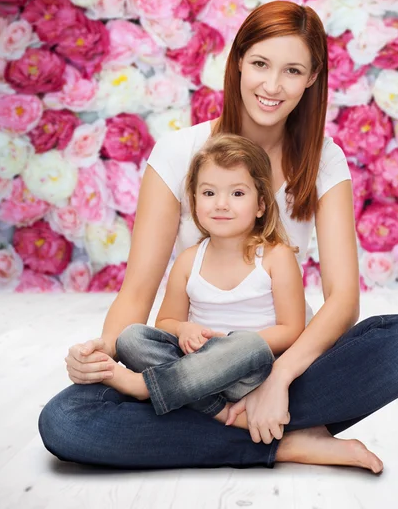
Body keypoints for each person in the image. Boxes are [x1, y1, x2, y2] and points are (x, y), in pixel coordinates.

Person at [39, 0, 398, 474]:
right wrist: (103, 354)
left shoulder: (325, 161)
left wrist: (280, 380)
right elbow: (139, 293)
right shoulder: (177, 152)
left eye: (292, 70)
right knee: (66, 421)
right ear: (238, 63)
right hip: (187, 364)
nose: (272, 86)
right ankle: (281, 442)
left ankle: (241, 423)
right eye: (261, 64)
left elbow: (343, 300)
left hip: (282, 361)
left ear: (312, 78)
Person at [106, 133, 306, 426]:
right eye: (209, 193)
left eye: (237, 194)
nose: (221, 204)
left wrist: (227, 345)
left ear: (261, 204)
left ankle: (145, 387)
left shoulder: (277, 257)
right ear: (195, 200)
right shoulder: (189, 260)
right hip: (196, 368)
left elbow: (291, 330)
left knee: (249, 344)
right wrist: (185, 328)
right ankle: (216, 410)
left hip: (248, 374)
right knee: (132, 338)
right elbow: (166, 322)